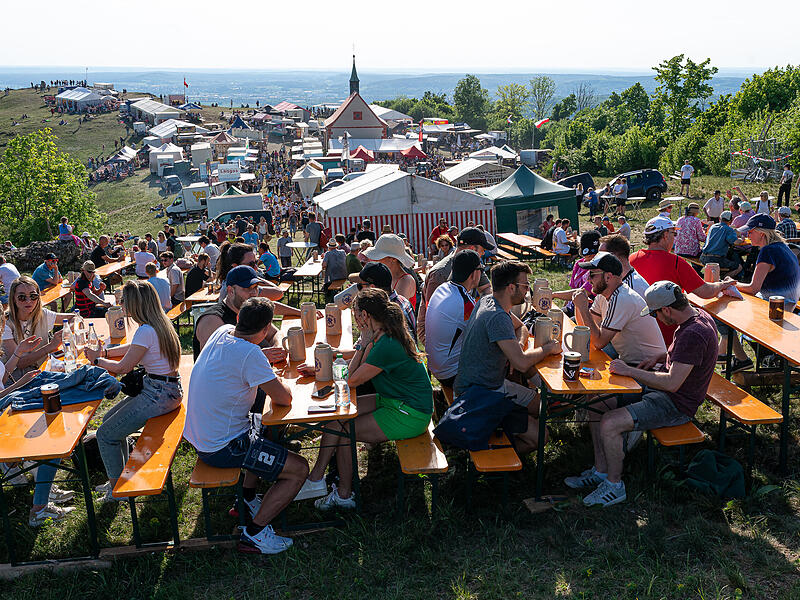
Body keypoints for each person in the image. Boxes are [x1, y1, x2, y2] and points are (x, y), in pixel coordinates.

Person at [566, 281, 718, 507]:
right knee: (597, 400)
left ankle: (614, 486)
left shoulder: (693, 334)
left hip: (675, 405)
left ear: (666, 309)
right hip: (662, 391)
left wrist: (630, 370)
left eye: (655, 314)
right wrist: (661, 356)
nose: (656, 319)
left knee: (610, 423)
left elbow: (673, 383)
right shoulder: (697, 316)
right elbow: (689, 359)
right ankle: (600, 470)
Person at [184, 297, 306, 555]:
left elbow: (237, 360)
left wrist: (263, 363)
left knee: (270, 429)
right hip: (222, 447)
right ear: (264, 331)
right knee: (298, 469)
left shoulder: (221, 332)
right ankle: (254, 533)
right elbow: (284, 398)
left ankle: (247, 498)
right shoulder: (250, 354)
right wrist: (275, 375)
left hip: (201, 434)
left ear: (238, 319)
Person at [302, 288, 433, 511]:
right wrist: (361, 344)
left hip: (410, 413)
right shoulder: (383, 334)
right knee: (336, 420)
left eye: (355, 314)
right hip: (396, 401)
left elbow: (351, 380)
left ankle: (343, 494)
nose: (355, 320)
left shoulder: (385, 344)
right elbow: (355, 367)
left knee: (344, 430)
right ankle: (316, 479)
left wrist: (362, 342)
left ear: (365, 316)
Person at [85, 281, 183, 503]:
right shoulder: (157, 323)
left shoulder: (146, 330)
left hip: (158, 394)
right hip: (165, 390)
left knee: (105, 434)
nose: (122, 306)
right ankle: (120, 480)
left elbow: (123, 369)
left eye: (124, 302)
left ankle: (117, 491)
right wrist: (107, 354)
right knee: (110, 421)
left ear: (135, 304)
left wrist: (97, 360)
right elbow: (133, 350)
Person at [454, 260, 561, 455]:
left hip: (486, 384)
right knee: (541, 436)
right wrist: (548, 348)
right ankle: (491, 458)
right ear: (511, 287)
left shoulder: (488, 300)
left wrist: (516, 347)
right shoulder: (497, 316)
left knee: (541, 407)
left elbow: (520, 327)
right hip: (478, 395)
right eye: (525, 285)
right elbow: (521, 364)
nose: (528, 290)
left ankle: (507, 431)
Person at [2, 277, 77, 525]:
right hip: (17, 389)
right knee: (53, 436)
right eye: (22, 297)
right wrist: (48, 348)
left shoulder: (41, 314)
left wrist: (76, 318)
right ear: (13, 299)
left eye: (33, 296)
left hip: (24, 383)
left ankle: (41, 484)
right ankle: (38, 500)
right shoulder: (6, 323)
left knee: (55, 425)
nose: (29, 301)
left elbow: (66, 318)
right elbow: (14, 365)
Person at [629, 216, 737, 345]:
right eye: (673, 234)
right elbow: (706, 292)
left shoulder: (632, 259)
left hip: (638, 332)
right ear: (664, 235)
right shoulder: (675, 262)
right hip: (669, 334)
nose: (675, 238)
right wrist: (722, 284)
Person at [718, 214, 800, 372]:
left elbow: (753, 288)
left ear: (761, 233)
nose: (747, 235)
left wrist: (730, 283)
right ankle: (734, 355)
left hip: (775, 310)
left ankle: (742, 359)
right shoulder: (783, 247)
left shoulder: (767, 252)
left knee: (725, 314)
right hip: (787, 305)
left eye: (750, 232)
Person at [572, 252, 666, 365]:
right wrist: (578, 305)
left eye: (592, 275)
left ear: (608, 277)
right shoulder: (605, 295)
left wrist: (583, 308)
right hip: (632, 365)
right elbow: (584, 329)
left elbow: (598, 342)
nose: (588, 280)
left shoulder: (622, 298)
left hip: (648, 370)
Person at [417, 227, 493, 345]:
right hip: (435, 336)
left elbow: (487, 289)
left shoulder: (473, 263)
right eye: (482, 250)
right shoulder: (440, 273)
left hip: (461, 323)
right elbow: (434, 316)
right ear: (472, 249)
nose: (483, 253)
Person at [424, 250, 483, 388]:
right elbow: (483, 337)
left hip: (436, 367)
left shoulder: (442, 288)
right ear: (474, 274)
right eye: (481, 269)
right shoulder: (465, 303)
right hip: (451, 374)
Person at [357, 262, 416, 341]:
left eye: (360, 286)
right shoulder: (402, 300)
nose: (359, 290)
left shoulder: (381, 313)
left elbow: (370, 349)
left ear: (372, 288)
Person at [363, 234, 417, 309]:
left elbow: (394, 311)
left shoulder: (406, 281)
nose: (375, 260)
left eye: (379, 257)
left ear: (393, 259)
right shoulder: (384, 276)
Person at [699, 211, 742, 279]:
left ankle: (721, 275)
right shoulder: (729, 230)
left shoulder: (713, 227)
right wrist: (741, 238)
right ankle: (723, 278)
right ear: (730, 221)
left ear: (720, 218)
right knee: (739, 267)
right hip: (716, 259)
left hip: (703, 257)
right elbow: (736, 242)